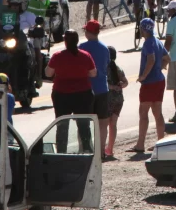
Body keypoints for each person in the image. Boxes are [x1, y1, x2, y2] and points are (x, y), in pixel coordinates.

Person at [45, 30, 97, 153]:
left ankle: (61, 152)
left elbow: (48, 73)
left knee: (62, 124)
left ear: (65, 42)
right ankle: (87, 150)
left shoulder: (58, 56)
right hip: (83, 94)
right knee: (84, 124)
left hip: (62, 95)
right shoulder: (85, 55)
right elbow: (93, 73)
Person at [128, 18, 171, 153]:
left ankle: (140, 144)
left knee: (143, 113)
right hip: (159, 80)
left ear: (143, 29)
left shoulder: (148, 43)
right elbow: (167, 58)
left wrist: (143, 76)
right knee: (157, 112)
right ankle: (161, 142)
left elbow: (151, 59)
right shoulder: (157, 41)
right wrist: (161, 67)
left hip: (150, 83)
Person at [79, 20, 111, 157]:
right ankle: (101, 151)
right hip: (103, 89)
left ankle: (84, 150)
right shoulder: (105, 48)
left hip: (87, 89)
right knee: (103, 123)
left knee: (84, 122)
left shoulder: (82, 47)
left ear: (88, 32)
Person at [105, 46, 127, 158]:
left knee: (104, 124)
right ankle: (110, 149)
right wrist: (119, 86)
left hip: (108, 99)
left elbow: (105, 84)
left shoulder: (105, 68)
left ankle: (104, 150)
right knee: (113, 124)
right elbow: (125, 82)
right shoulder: (118, 68)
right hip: (118, 99)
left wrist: (112, 87)